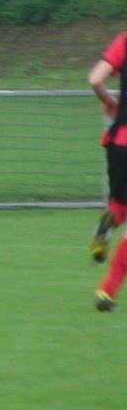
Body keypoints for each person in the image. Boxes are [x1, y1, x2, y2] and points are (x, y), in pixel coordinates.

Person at [88, 31, 127, 311]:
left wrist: (111, 103)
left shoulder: (124, 41)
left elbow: (95, 79)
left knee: (120, 201)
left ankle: (105, 227)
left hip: (119, 142)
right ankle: (107, 292)